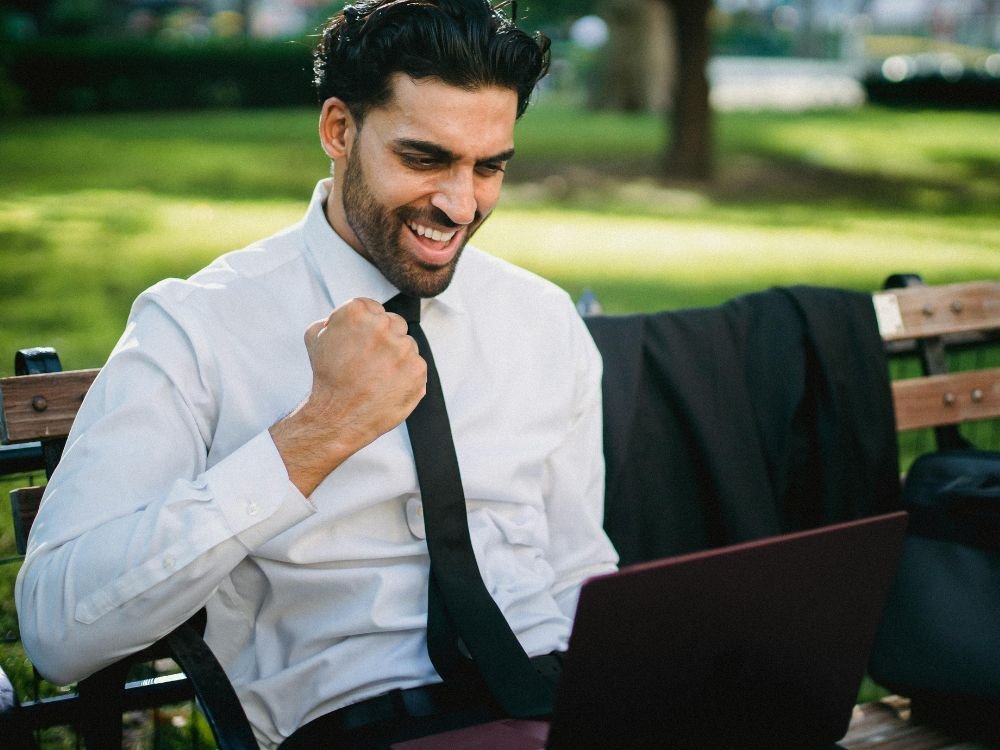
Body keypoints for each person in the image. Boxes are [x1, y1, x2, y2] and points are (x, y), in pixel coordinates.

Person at [15, 1, 619, 747]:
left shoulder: (539, 317)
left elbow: (577, 566)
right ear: (338, 130)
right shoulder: (199, 328)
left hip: (561, 701)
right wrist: (312, 437)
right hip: (358, 720)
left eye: (488, 166)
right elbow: (54, 632)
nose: (461, 203)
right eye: (425, 159)